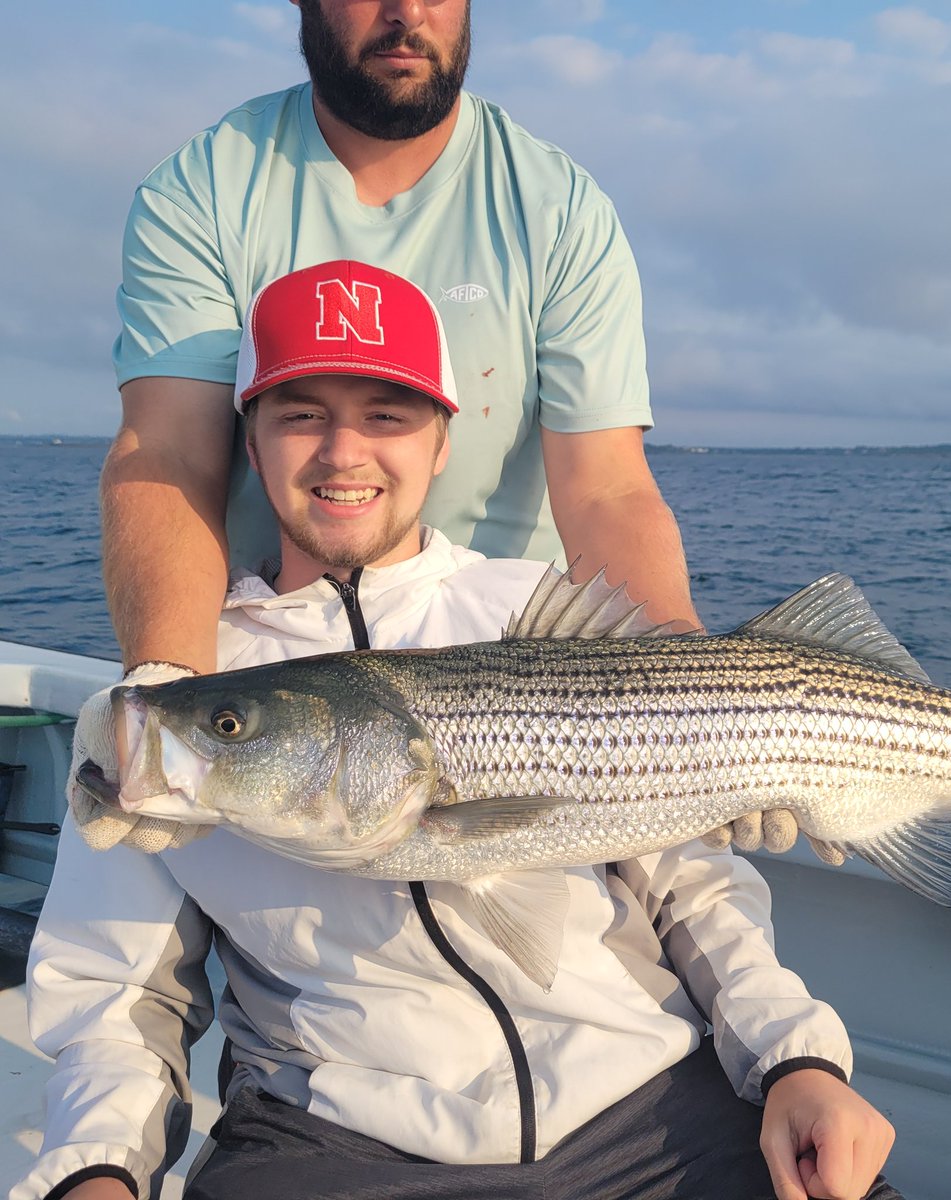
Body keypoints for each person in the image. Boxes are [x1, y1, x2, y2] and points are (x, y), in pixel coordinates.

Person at [17, 263, 899, 1200]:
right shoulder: (181, 685)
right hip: (333, 1141)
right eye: (301, 414)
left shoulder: (535, 608)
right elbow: (117, 992)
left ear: (442, 442)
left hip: (650, 1109)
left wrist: (795, 1060)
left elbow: (694, 888)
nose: (343, 452)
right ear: (252, 441)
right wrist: (97, 1171)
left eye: (387, 415)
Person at [90, 0, 796, 856]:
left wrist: (700, 705)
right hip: (281, 668)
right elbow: (167, 449)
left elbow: (606, 486)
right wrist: (168, 685)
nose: (408, 12)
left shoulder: (557, 207)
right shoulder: (203, 189)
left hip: (539, 701)